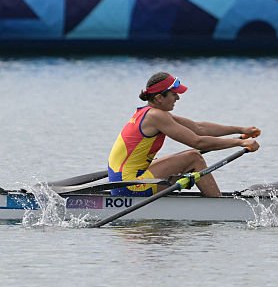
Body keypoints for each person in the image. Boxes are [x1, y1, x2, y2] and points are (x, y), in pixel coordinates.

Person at [107, 72, 261, 197]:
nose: (178, 98)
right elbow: (198, 142)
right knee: (194, 157)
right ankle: (218, 206)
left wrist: (241, 130)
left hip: (123, 182)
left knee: (187, 156)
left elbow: (198, 128)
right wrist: (240, 143)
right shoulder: (156, 116)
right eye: (174, 94)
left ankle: (188, 190)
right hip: (128, 186)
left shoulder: (149, 113)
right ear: (159, 98)